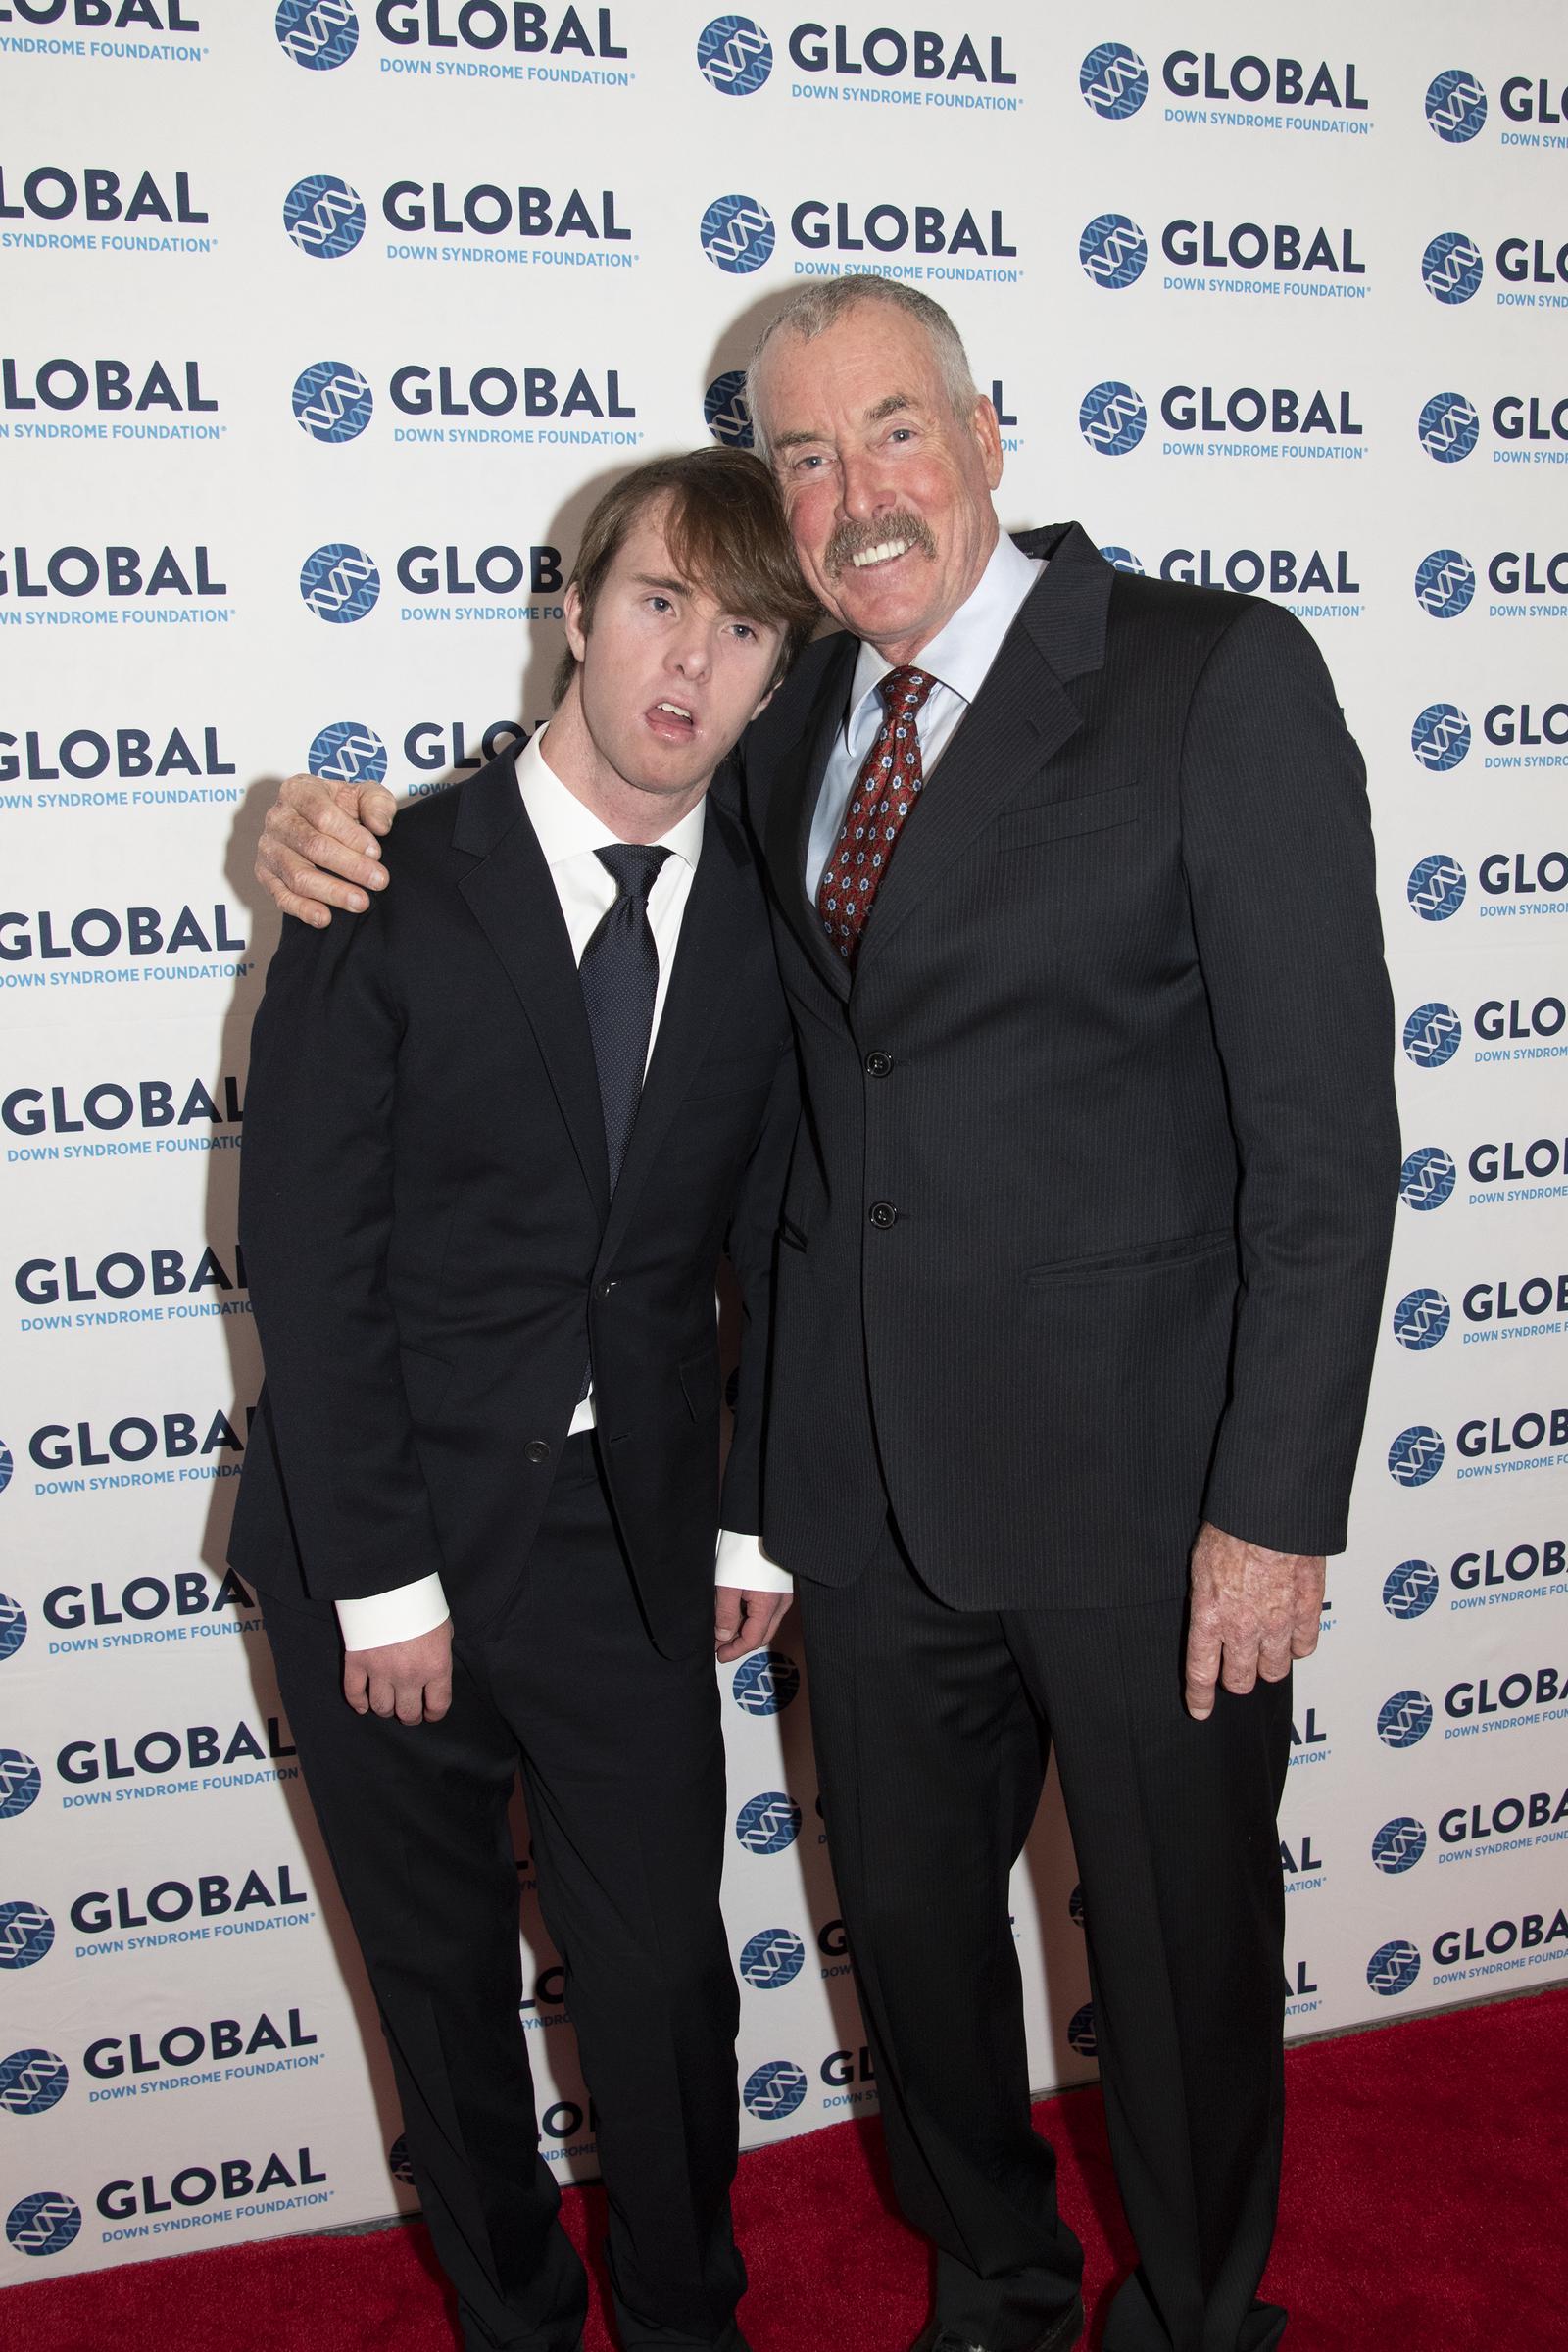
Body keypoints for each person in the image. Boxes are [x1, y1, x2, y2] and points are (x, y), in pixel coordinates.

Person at [256, 278, 1399, 2352]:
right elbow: (570, 819)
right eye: (801, 454)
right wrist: (302, 821)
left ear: (983, 431)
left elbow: (1323, 1139)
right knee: (914, 1957)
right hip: (850, 1502)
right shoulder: (781, 712)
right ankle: (993, 2274)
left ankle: (1199, 2311)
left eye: (891, 429)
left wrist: (1275, 1508)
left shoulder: (1202, 675)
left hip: (1147, 1501)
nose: (854, 491)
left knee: (1171, 1952)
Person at [231, 447, 816, 2352]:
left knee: (660, 1991)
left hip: (622, 1539)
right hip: (380, 1531)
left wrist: (746, 1511)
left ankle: (679, 2320)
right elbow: (307, 1259)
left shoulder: (766, 914)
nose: (688, 667)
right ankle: (508, 2316)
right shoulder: (385, 878)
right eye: (659, 605)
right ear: (574, 613)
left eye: (742, 633)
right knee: (441, 1988)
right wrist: (383, 1584)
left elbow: (777, 1237)